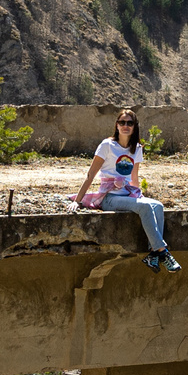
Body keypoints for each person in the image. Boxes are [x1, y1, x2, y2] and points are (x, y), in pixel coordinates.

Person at [77, 109, 180, 271]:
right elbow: (90, 175)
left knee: (157, 205)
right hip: (109, 198)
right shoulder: (107, 145)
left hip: (127, 194)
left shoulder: (136, 148)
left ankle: (153, 256)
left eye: (129, 123)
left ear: (134, 127)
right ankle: (163, 252)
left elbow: (134, 178)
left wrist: (139, 196)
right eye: (122, 122)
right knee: (145, 207)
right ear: (116, 125)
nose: (125, 126)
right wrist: (78, 201)